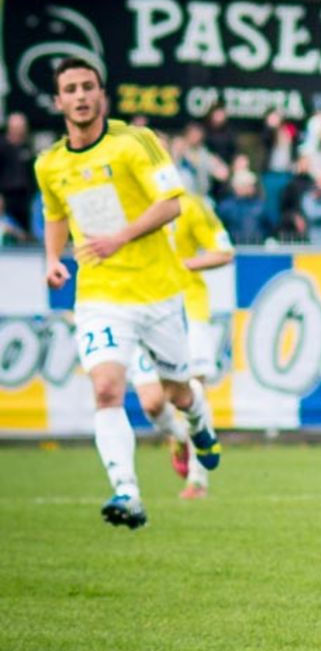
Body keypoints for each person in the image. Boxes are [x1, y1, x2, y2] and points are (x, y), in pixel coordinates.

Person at [34, 58, 223, 528]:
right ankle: (127, 492)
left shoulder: (134, 143)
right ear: (58, 102)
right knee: (106, 389)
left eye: (87, 87)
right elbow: (56, 214)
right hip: (100, 296)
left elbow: (171, 204)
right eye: (70, 89)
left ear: (102, 94)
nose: (80, 96)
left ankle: (198, 423)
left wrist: (120, 236)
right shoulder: (50, 163)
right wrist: (53, 260)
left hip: (158, 293)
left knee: (178, 393)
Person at [128, 193, 234, 499]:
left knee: (195, 389)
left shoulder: (190, 205)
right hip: (141, 309)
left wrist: (182, 264)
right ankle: (178, 437)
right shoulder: (125, 202)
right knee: (154, 401)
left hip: (189, 310)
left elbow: (224, 252)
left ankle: (198, 480)